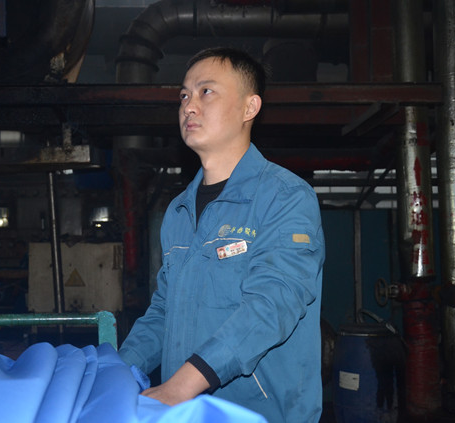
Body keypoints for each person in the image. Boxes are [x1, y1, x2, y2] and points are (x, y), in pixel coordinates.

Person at [118, 47, 325, 423]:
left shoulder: (284, 197)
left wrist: (179, 386)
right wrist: (117, 370)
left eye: (206, 92)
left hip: (256, 412)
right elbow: (163, 312)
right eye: (184, 95)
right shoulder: (178, 212)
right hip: (184, 412)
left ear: (249, 107)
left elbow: (272, 305)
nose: (189, 106)